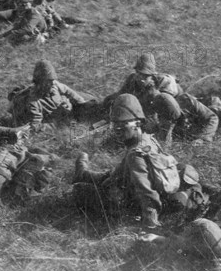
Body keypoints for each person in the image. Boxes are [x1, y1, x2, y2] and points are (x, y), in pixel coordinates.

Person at [72, 94, 204, 228]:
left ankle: (82, 172)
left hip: (127, 200)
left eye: (124, 124)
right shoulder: (148, 139)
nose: (118, 130)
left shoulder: (135, 155)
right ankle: (83, 172)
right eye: (116, 125)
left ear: (137, 123)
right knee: (109, 176)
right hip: (133, 183)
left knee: (79, 190)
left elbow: (146, 191)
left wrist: (150, 223)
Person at [8, 60, 97, 131]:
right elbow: (35, 126)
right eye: (47, 82)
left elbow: (71, 93)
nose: (51, 85)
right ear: (39, 82)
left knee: (93, 102)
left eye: (52, 81)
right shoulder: (33, 101)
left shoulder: (54, 85)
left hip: (64, 109)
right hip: (54, 119)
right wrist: (61, 122)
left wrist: (82, 104)